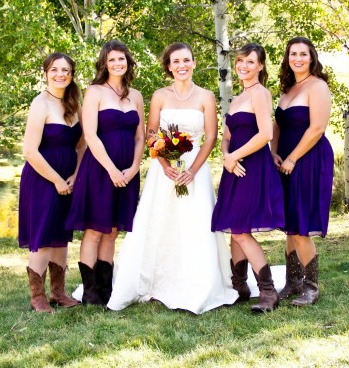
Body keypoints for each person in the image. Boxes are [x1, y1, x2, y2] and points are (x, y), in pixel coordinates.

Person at [106, 42, 238, 314]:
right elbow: (151, 132)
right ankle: (154, 282)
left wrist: (192, 170)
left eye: (186, 60)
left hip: (195, 170)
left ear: (194, 63)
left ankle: (197, 284)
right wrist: (165, 163)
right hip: (163, 170)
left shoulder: (206, 96)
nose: (182, 66)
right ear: (168, 66)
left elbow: (211, 137)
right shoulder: (159, 96)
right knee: (158, 222)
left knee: (194, 223)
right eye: (176, 61)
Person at [66, 40, 145, 305]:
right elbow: (90, 134)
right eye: (112, 60)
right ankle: (90, 291)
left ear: (128, 62)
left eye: (121, 59)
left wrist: (134, 168)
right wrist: (112, 170)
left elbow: (140, 137)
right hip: (100, 169)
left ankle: (105, 287)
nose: (117, 64)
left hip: (127, 171)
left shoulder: (136, 96)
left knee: (112, 231)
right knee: (95, 229)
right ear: (104, 63)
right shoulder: (95, 92)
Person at [211, 43, 285, 313]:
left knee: (241, 231)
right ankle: (239, 285)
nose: (243, 66)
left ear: (261, 66)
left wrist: (235, 156)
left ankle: (268, 290)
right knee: (234, 226)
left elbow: (265, 133)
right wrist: (226, 156)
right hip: (234, 168)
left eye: (250, 62)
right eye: (240, 61)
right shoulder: (236, 98)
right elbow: (227, 137)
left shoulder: (261, 94)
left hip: (252, 166)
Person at [19, 52, 85, 313]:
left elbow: (82, 145)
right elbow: (30, 151)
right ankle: (37, 297)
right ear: (45, 73)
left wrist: (75, 176)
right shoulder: (40, 104)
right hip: (43, 178)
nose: (61, 74)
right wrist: (57, 180)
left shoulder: (74, 104)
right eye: (55, 69)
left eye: (66, 70)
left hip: (68, 179)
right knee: (44, 237)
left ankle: (58, 292)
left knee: (61, 237)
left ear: (72, 75)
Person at [272, 36, 334, 306]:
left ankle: (310, 286)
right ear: (287, 59)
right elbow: (278, 126)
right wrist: (274, 152)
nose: (297, 58)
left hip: (307, 158)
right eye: (292, 54)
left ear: (312, 58)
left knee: (300, 225)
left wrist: (293, 158)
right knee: (289, 224)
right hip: (285, 158)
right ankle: (293, 281)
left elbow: (317, 128)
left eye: (303, 54)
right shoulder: (288, 89)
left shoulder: (317, 87)